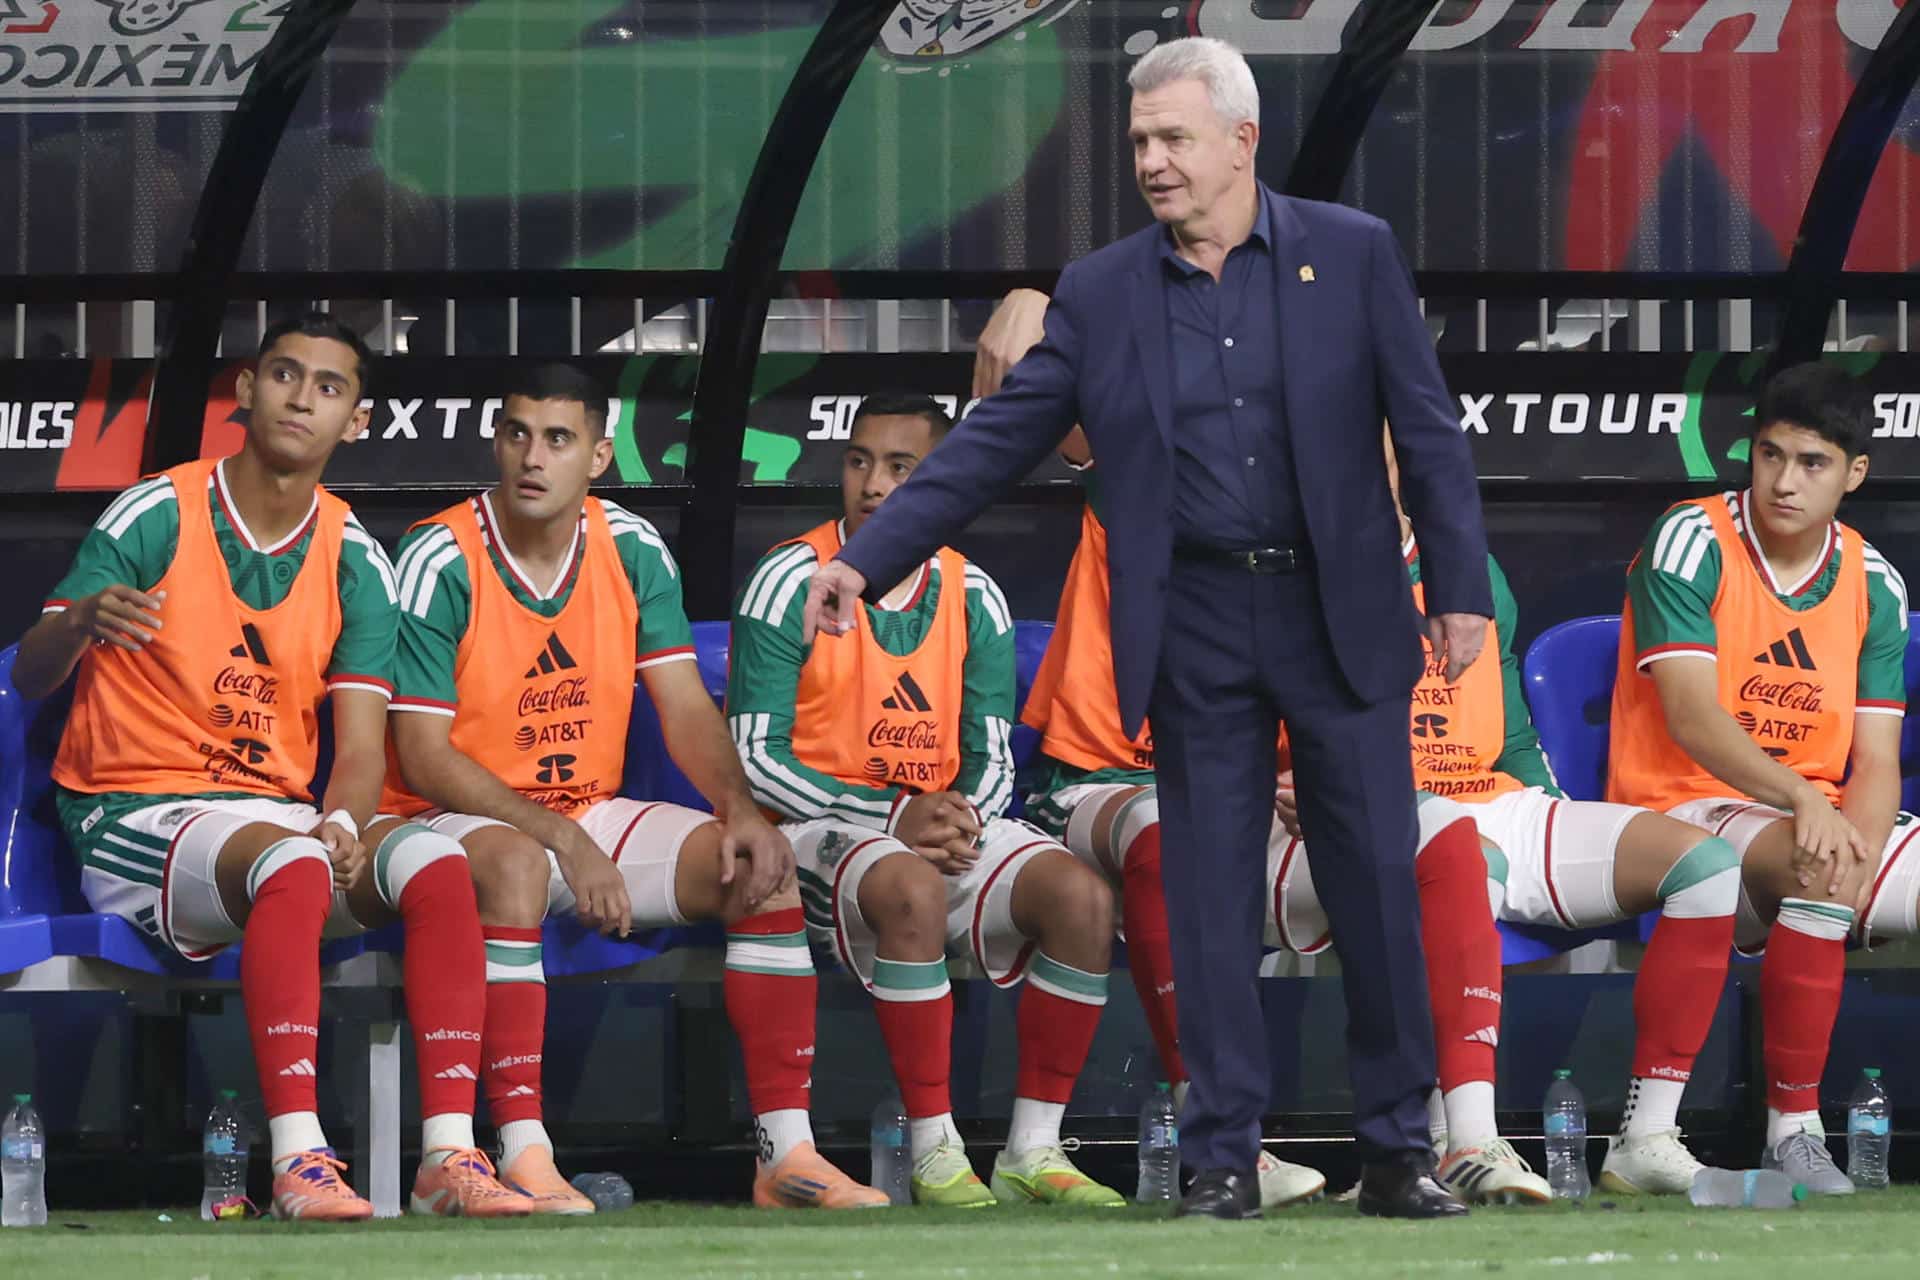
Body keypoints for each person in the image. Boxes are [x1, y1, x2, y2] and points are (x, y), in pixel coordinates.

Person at [802, 37, 1491, 1220]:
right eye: (1138, 143)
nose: (1153, 163)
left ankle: (1395, 1149)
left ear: (1241, 140)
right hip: (1199, 619)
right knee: (1209, 896)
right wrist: (868, 559)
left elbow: (1427, 432)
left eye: (1173, 139)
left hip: (1343, 608)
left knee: (1377, 880)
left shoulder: (1354, 253)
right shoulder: (1105, 289)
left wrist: (1462, 587)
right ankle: (1225, 1155)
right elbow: (992, 441)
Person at [12, 314, 531, 1220]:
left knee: (438, 865)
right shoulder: (158, 510)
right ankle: (300, 1159)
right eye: (286, 375)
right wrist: (79, 622)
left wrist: (343, 819)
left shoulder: (355, 555)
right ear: (246, 390)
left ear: (356, 421)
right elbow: (28, 672)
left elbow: (363, 744)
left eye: (329, 387)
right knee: (289, 863)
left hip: (266, 818)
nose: (303, 397)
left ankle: (449, 1154)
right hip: (132, 812)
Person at [380, 364, 886, 1211]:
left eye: (557, 438)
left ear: (601, 455)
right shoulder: (440, 553)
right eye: (515, 434)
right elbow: (425, 755)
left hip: (587, 811)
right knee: (511, 863)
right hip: (453, 820)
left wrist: (741, 811)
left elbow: (685, 704)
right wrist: (565, 841)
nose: (530, 458)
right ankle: (524, 1151)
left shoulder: (632, 545)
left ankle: (784, 1156)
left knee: (756, 867)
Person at [1270, 434, 1743, 1200]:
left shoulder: (1468, 567)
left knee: (1707, 868)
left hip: (1492, 802)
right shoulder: (1285, 571)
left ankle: (1646, 1137)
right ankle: (1457, 1143)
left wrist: (1548, 810)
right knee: (1463, 855)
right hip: (1366, 813)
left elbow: (1509, 722)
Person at [729, 394, 1124, 1208]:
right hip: (811, 830)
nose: (874, 484)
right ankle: (934, 1148)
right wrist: (896, 818)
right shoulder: (788, 576)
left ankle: (1033, 1151)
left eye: (901, 467)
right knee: (906, 882)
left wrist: (960, 819)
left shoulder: (973, 592)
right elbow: (753, 760)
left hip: (933, 829)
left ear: (942, 478)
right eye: (860, 461)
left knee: (1082, 897)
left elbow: (989, 756)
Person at [1608, 361, 1914, 1196]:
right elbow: (1693, 720)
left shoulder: (1874, 581)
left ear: (1854, 474)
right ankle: (1796, 1130)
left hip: (1809, 815)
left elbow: (1878, 759)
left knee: (1835, 863)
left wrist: (1864, 847)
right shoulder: (1692, 536)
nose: (1784, 482)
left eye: (1812, 464)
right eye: (1771, 455)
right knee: (1818, 861)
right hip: (1682, 802)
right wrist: (1811, 803)